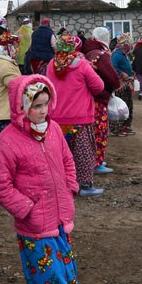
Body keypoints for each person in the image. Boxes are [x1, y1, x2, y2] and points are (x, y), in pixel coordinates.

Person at [0, 75, 79, 284]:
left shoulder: (53, 130)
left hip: (61, 221)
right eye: (36, 105)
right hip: (35, 230)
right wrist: (28, 209)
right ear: (21, 106)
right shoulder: (7, 141)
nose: (42, 111)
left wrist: (70, 187)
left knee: (54, 278)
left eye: (45, 104)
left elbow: (67, 161)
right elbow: (0, 185)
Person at [45, 35, 105, 197]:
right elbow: (99, 87)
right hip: (80, 119)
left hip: (57, 118)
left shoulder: (52, 64)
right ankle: (84, 185)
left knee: (61, 154)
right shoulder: (82, 64)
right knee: (83, 153)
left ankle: (63, 184)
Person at [82, 27, 121, 175]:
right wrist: (113, 87)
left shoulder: (87, 53)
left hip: (88, 98)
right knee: (100, 131)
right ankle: (96, 162)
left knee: (91, 131)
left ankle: (93, 159)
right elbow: (112, 78)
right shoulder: (101, 55)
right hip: (100, 97)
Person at [0, 31, 22, 139]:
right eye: (15, 46)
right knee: (7, 144)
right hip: (5, 113)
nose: (17, 50)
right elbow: (17, 85)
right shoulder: (5, 66)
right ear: (9, 47)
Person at [110, 33, 136, 137]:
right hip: (120, 86)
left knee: (128, 105)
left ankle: (125, 125)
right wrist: (121, 73)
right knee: (120, 107)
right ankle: (117, 128)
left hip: (126, 84)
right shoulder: (117, 54)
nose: (130, 45)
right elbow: (112, 67)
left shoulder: (123, 54)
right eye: (128, 42)